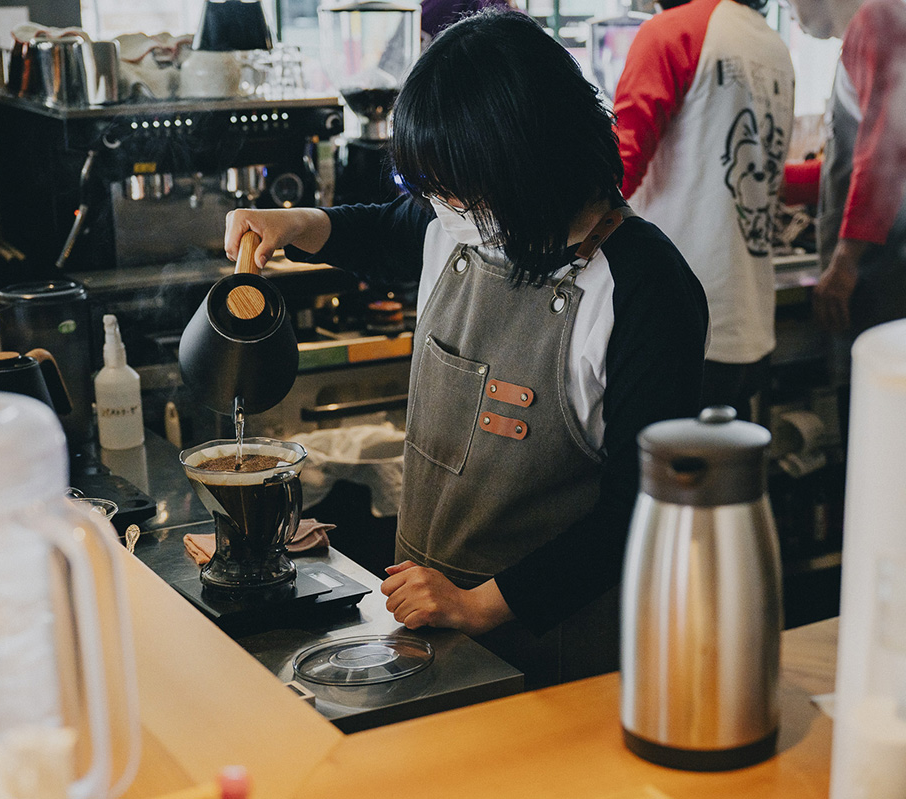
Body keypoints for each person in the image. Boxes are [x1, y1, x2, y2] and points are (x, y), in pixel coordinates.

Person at [224, 9, 708, 688]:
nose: (440, 207)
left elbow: (643, 508)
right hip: (429, 637)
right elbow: (388, 231)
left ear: (525, 166)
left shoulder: (644, 288)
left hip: (559, 654)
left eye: (453, 189)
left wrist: (478, 605)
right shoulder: (469, 227)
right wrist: (292, 223)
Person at [612, 0, 795, 422]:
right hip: (748, 322)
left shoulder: (672, 32)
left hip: (675, 318)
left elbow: (617, 169)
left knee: (654, 462)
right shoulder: (773, 44)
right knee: (726, 460)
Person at [781, 0, 906, 433]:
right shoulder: (875, 27)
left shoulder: (878, 21)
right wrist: (780, 183)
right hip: (879, 272)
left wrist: (845, 260)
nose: (785, 7)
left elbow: (886, 152)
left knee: (876, 428)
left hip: (881, 277)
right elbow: (853, 162)